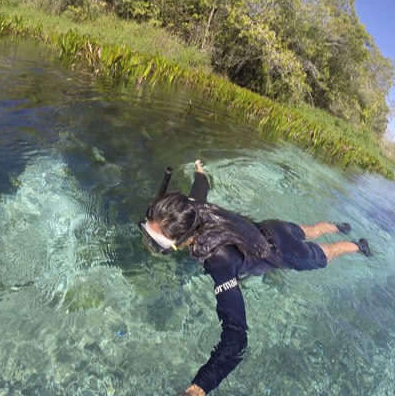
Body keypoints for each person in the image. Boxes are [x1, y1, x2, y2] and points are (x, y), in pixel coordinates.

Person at [139, 160, 372, 396]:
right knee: (310, 230)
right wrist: (199, 170)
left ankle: (357, 246)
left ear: (183, 238)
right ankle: (339, 227)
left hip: (284, 253)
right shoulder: (192, 210)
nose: (151, 241)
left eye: (158, 240)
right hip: (273, 228)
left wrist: (200, 386)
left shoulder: (217, 259)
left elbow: (237, 335)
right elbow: (200, 188)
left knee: (329, 253)